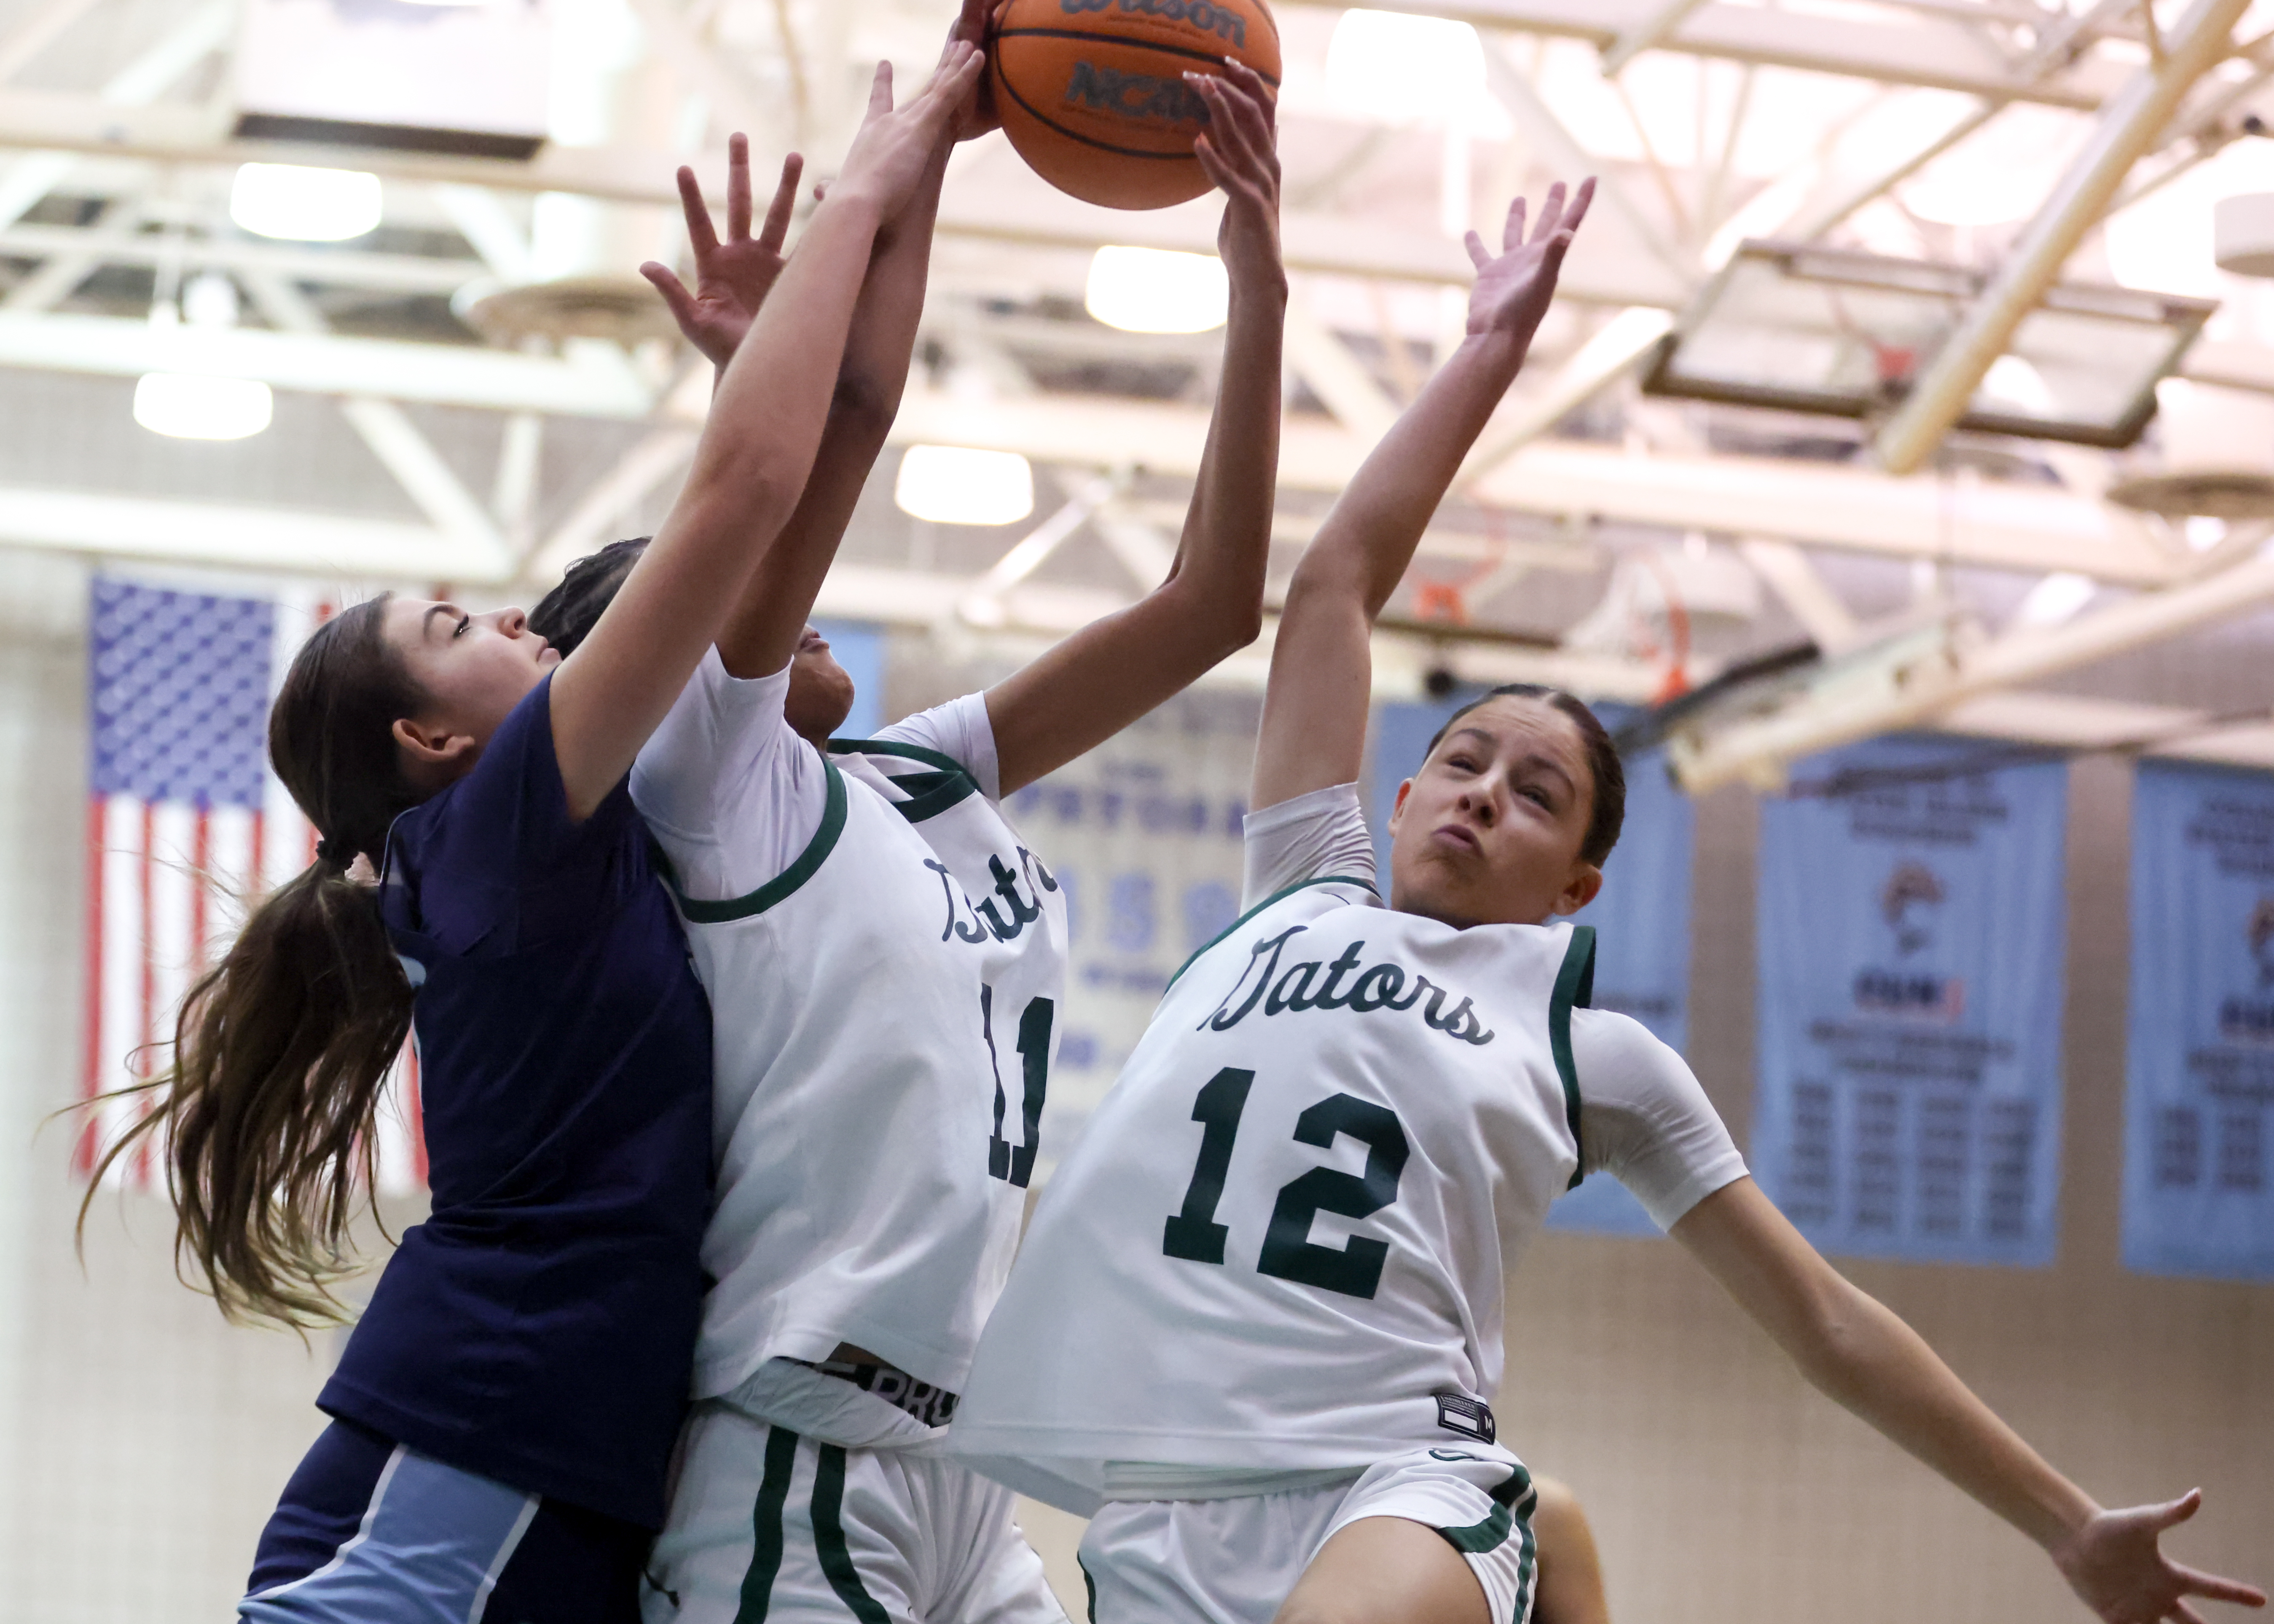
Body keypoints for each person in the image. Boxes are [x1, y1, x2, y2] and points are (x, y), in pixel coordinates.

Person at [946, 180, 2268, 1624]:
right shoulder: (1298, 898)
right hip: (1169, 1499)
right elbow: (1332, 582)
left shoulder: (1594, 1051)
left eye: (1533, 793)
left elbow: (1825, 1322)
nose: (1478, 794)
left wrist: (2068, 1526)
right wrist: (1482, 352)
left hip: (1400, 1484)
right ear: (1392, 801)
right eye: (1460, 761)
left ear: (1574, 888)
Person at [81, 50, 982, 1622]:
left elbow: (830, 442)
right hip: (492, 1435)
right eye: (454, 623)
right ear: (432, 741)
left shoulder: (573, 825)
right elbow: (747, 484)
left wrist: (900, 206)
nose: (507, 610)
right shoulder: (490, 831)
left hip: (543, 1433)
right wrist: (868, 183)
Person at [526, 24, 1287, 1624]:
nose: (805, 601)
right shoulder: (703, 786)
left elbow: (1214, 603)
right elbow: (833, 432)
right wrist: (920, 154)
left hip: (969, 1457)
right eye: (747, 597)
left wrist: (1256, 277)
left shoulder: (918, 773)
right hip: (799, 1437)